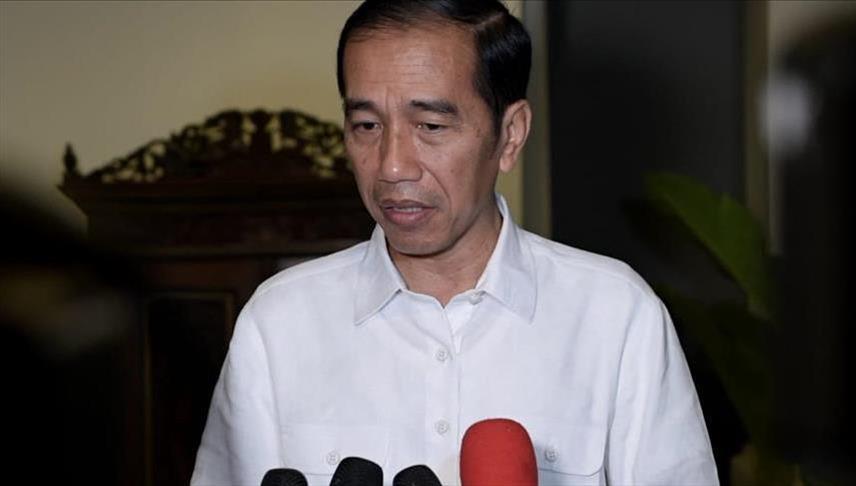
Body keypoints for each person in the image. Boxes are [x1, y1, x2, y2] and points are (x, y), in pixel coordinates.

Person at [191, 1, 719, 485]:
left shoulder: (616, 316)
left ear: (510, 135)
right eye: (367, 125)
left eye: (430, 125)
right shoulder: (280, 322)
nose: (392, 166)